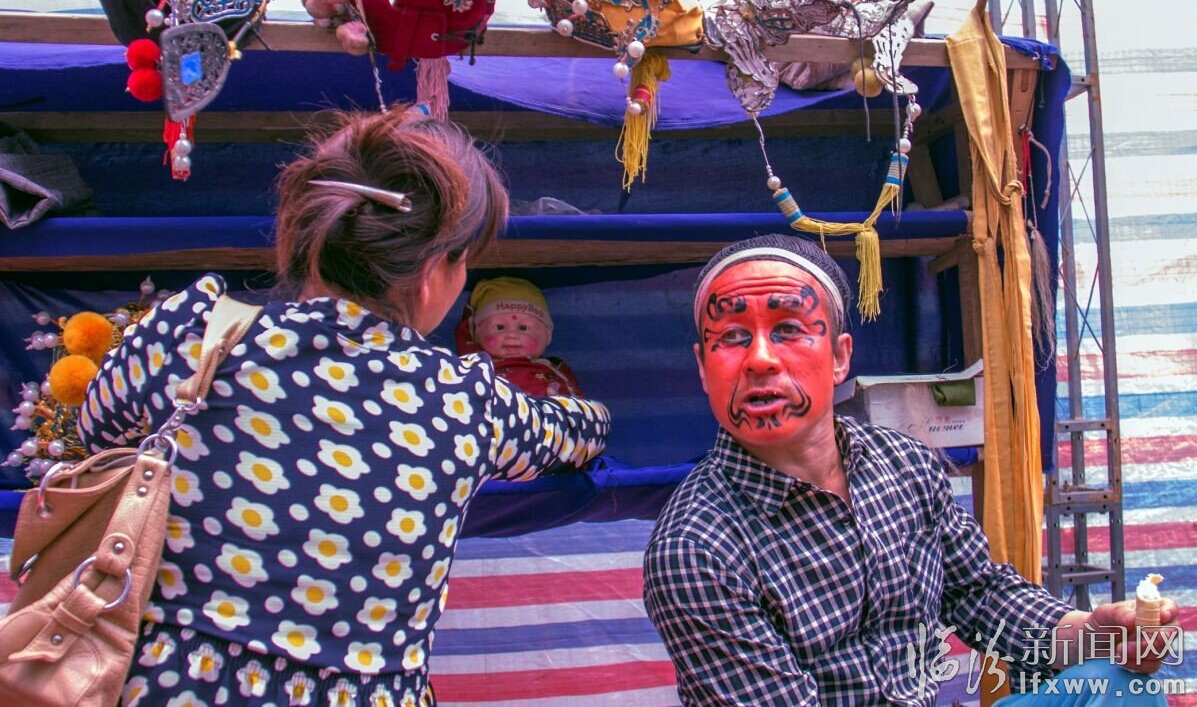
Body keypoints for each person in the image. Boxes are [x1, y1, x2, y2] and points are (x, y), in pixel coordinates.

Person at [78, 107, 611, 706]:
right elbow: (580, 431)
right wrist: (585, 412)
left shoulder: (193, 334)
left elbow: (99, 433)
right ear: (433, 272)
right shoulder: (465, 403)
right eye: (465, 261)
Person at [643, 233, 1179, 706]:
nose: (760, 358)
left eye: (787, 329)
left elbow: (978, 594)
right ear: (703, 367)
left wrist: (1089, 632)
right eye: (732, 337)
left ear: (839, 357)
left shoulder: (904, 464)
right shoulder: (694, 550)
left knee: (1118, 684)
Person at [455, 276, 584, 397]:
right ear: (477, 333)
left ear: (547, 335)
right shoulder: (476, 365)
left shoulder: (555, 370)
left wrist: (558, 401)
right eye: (499, 327)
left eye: (523, 328)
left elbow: (579, 407)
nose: (512, 335)